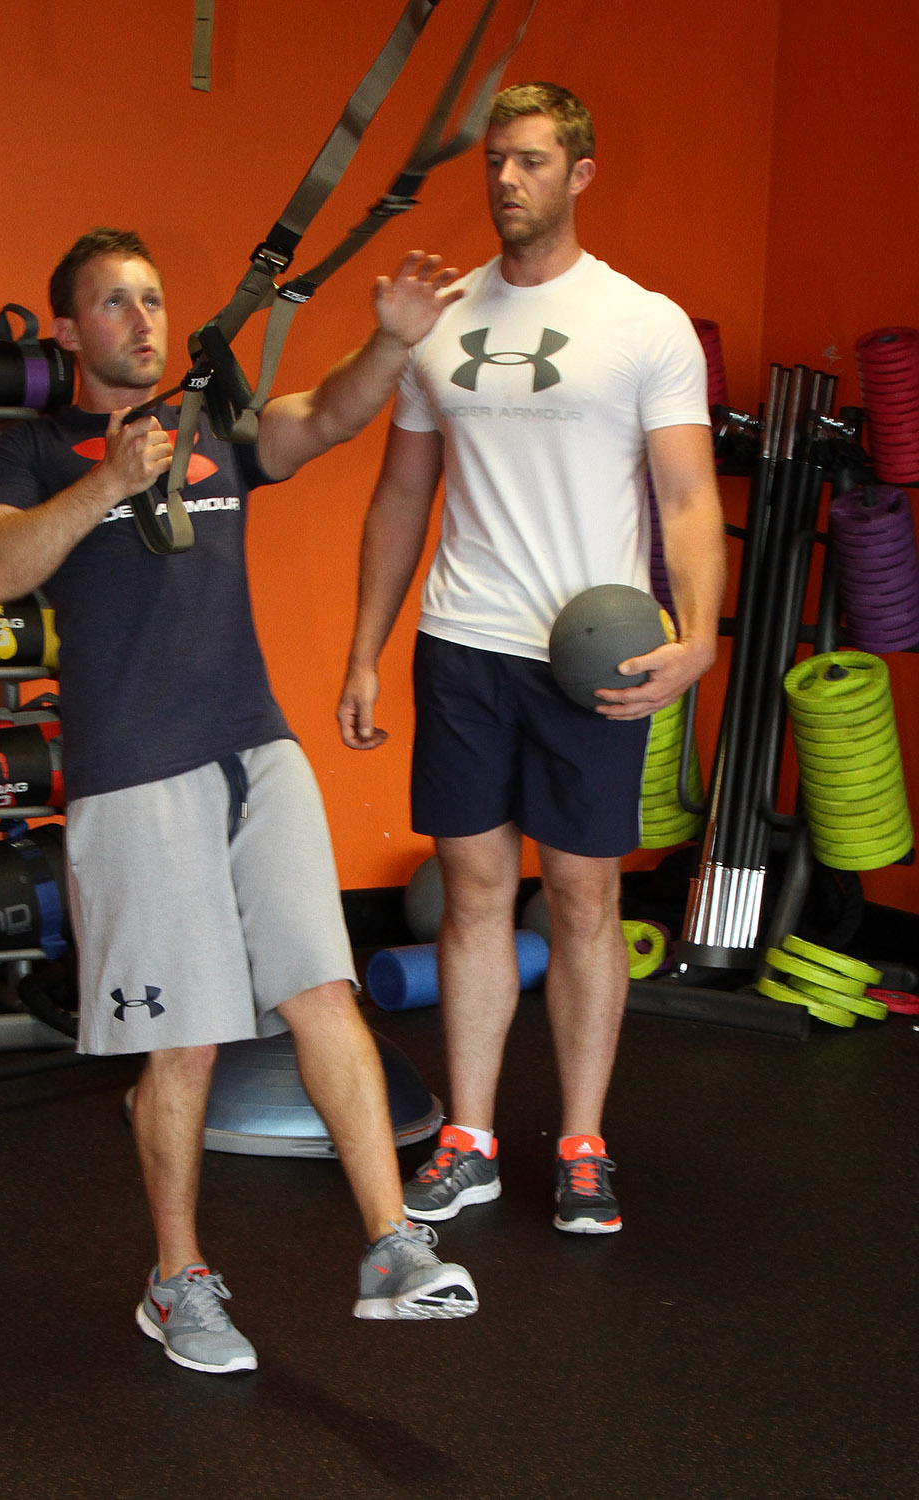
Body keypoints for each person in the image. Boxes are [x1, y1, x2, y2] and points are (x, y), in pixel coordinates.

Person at [0, 227, 480, 1375]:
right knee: (185, 1046)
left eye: (151, 298)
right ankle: (177, 1280)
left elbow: (325, 415)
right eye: (113, 302)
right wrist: (110, 479)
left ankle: (392, 1245)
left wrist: (390, 343)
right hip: (134, 773)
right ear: (69, 330)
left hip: (256, 748)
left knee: (323, 992)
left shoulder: (209, 427)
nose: (141, 320)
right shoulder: (33, 451)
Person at [337, 84, 727, 1236]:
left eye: (533, 160)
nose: (507, 179)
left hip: (591, 658)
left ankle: (582, 1143)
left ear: (580, 172)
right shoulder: (440, 317)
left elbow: (686, 494)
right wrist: (363, 651)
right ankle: (469, 1139)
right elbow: (400, 494)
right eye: (496, 160)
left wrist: (698, 633)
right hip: (463, 645)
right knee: (469, 896)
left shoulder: (642, 323)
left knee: (585, 896)